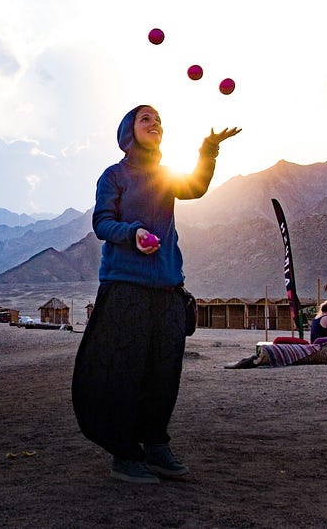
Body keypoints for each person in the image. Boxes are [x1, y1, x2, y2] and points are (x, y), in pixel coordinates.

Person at [71, 104, 240, 484]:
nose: (155, 124)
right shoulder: (115, 175)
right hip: (125, 285)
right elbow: (102, 222)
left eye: (159, 120)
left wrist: (208, 150)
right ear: (128, 131)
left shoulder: (165, 176)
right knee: (124, 371)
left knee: (164, 372)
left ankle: (156, 445)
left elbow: (195, 187)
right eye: (145, 118)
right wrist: (132, 233)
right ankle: (124, 453)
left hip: (167, 285)